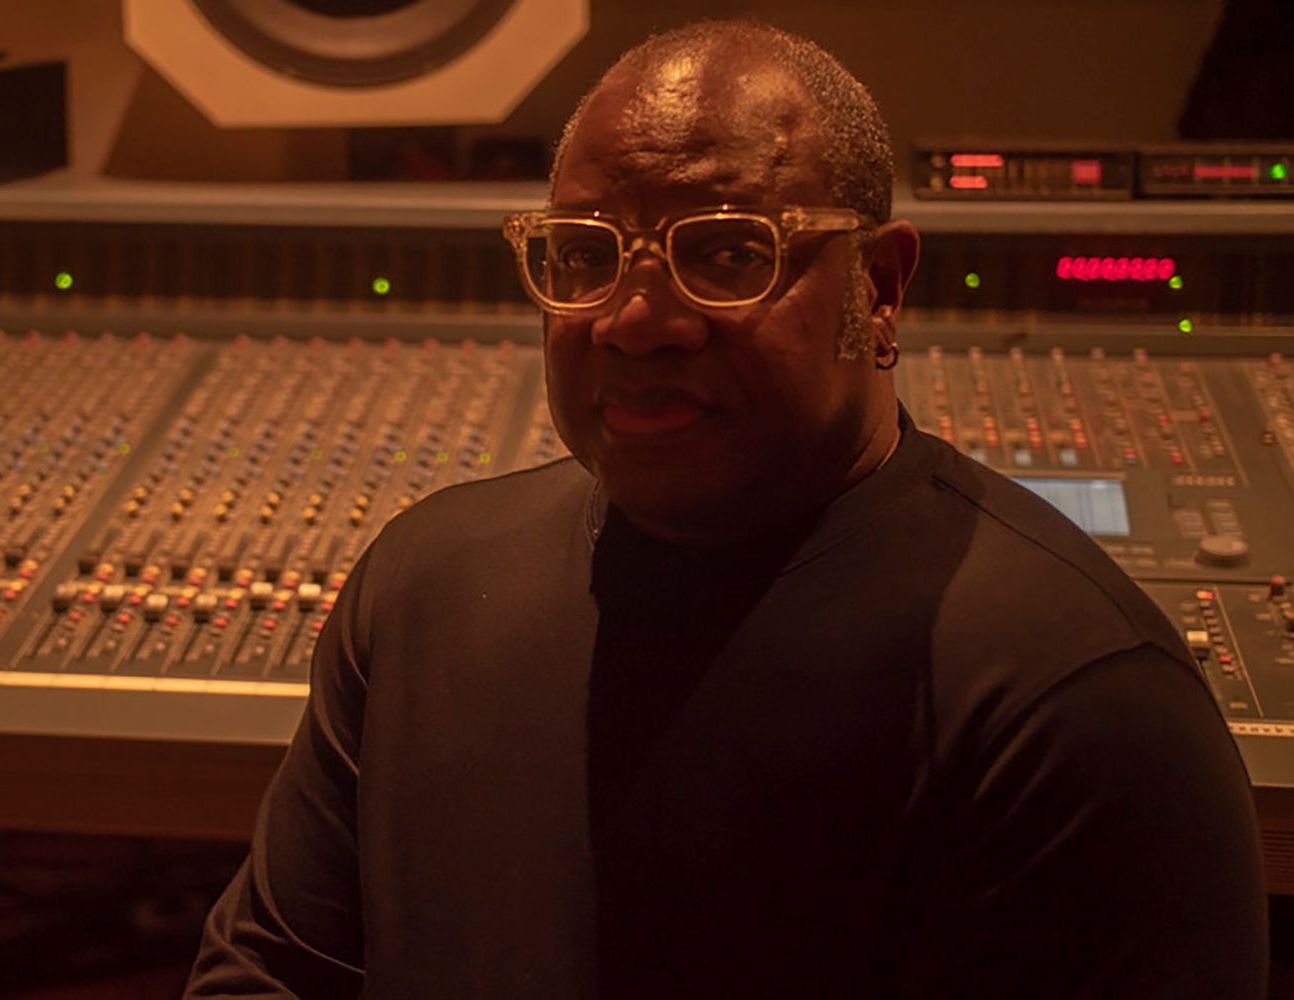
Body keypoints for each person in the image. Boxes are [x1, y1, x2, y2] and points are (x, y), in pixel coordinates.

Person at [186, 20, 1268, 998]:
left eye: (728, 252)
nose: (637, 320)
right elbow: (273, 972)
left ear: (878, 290)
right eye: (583, 256)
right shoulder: (424, 583)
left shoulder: (1080, 700)